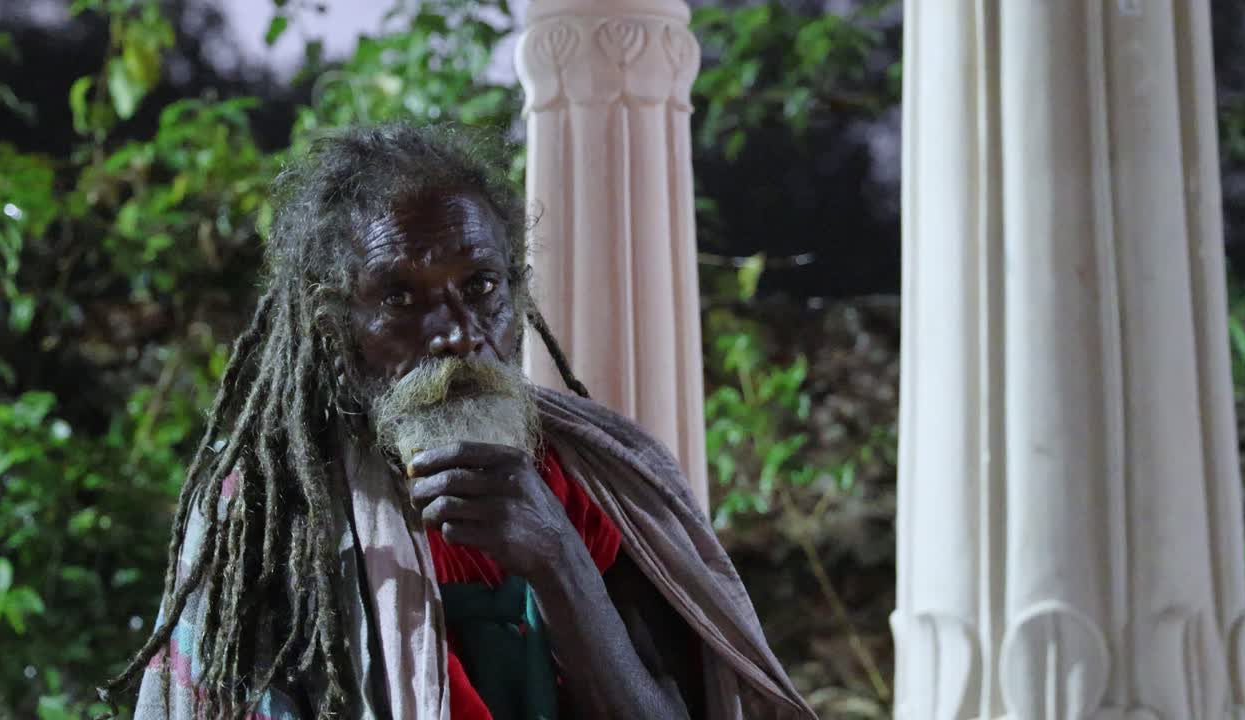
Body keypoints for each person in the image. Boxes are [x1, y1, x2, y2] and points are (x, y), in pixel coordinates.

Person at [104, 123, 814, 720]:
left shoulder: (597, 481)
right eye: (400, 298)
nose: (455, 333)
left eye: (480, 286)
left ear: (516, 296)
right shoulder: (271, 511)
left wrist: (559, 560)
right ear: (335, 327)